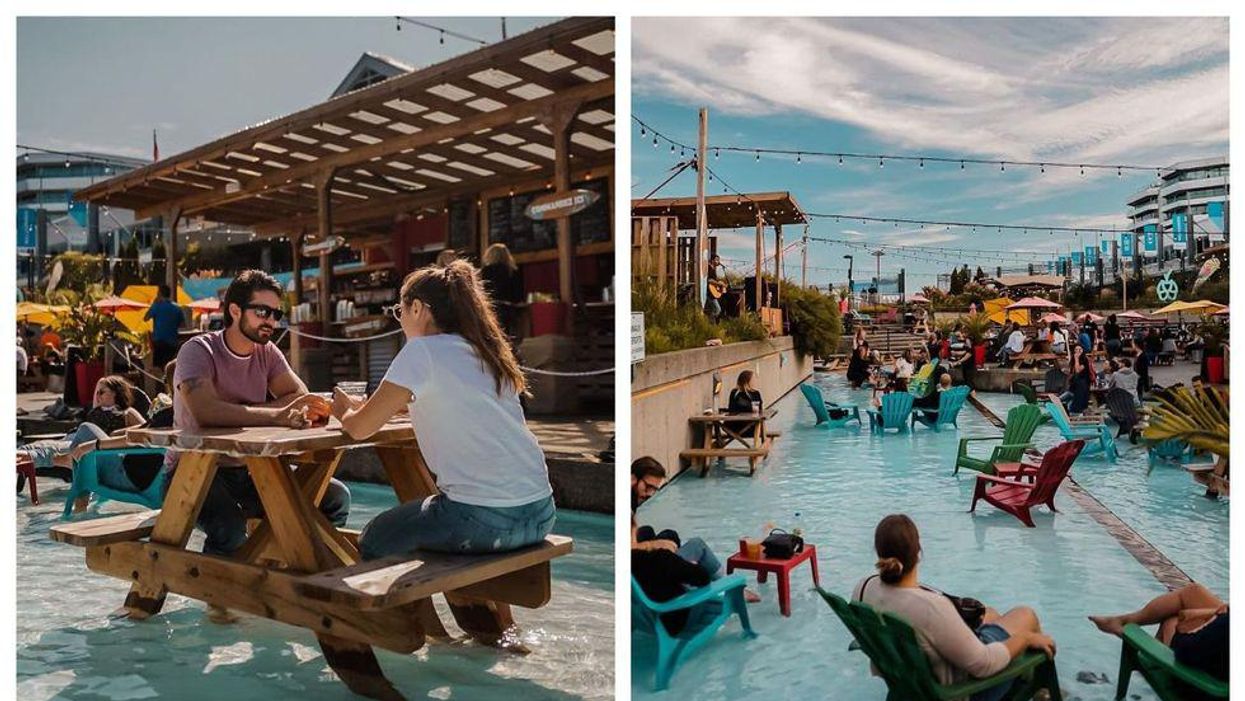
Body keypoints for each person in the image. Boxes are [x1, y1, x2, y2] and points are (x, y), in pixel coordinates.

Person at [331, 261, 552, 560]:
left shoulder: (422, 350)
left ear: (419, 309)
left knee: (374, 539)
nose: (401, 320)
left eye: (401, 311)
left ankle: (408, 607)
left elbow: (359, 429)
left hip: (483, 520)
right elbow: (459, 408)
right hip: (541, 513)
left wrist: (342, 409)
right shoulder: (485, 350)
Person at [174, 270, 349, 559]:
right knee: (229, 528)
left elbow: (301, 397)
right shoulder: (198, 351)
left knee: (334, 498)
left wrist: (271, 411)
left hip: (250, 468)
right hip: (194, 471)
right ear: (234, 310)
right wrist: (277, 415)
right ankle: (219, 601)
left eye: (275, 313)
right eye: (262, 311)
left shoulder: (266, 352)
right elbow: (205, 411)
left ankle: (306, 572)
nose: (270, 320)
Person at [854, 515, 1056, 701]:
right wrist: (1026, 639)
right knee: (1026, 616)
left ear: (879, 553)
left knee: (990, 613)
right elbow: (984, 665)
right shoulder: (931, 607)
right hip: (961, 690)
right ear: (918, 553)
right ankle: (1039, 687)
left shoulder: (863, 588)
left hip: (913, 681)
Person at [630, 457, 760, 602]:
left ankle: (685, 570)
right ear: (632, 478)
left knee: (665, 534)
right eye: (648, 486)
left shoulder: (630, 501)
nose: (649, 494)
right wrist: (656, 547)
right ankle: (727, 589)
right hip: (650, 577)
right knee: (697, 545)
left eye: (654, 489)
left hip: (641, 569)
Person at [1090, 583, 1227, 699]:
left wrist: (1210, 620)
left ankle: (1148, 669)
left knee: (1172, 619)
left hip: (1203, 687)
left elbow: (1185, 650)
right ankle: (1121, 621)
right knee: (1193, 592)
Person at [17, 375, 148, 471]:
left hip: (91, 444)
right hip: (74, 438)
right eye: (97, 392)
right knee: (35, 446)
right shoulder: (96, 410)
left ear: (116, 393)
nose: (98, 395)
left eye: (102, 392)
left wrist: (119, 432)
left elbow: (146, 428)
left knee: (48, 451)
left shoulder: (127, 412)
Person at [480, 243, 524, 338]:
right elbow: (518, 292)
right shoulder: (512, 271)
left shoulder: (485, 271)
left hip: (490, 307)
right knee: (506, 335)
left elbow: (481, 290)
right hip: (507, 307)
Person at [144, 284, 186, 369]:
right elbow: (183, 325)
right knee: (170, 366)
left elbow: (146, 318)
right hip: (172, 342)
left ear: (159, 294)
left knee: (158, 368)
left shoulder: (156, 306)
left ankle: (160, 381)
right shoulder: (177, 308)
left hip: (159, 342)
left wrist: (153, 304)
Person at [704, 254, 725, 321]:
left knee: (709, 310)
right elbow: (709, 280)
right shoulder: (709, 268)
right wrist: (718, 284)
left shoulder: (713, 269)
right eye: (717, 260)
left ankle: (709, 324)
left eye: (719, 260)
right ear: (712, 260)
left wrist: (720, 286)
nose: (718, 261)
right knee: (717, 310)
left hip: (712, 293)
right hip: (710, 293)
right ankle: (710, 323)